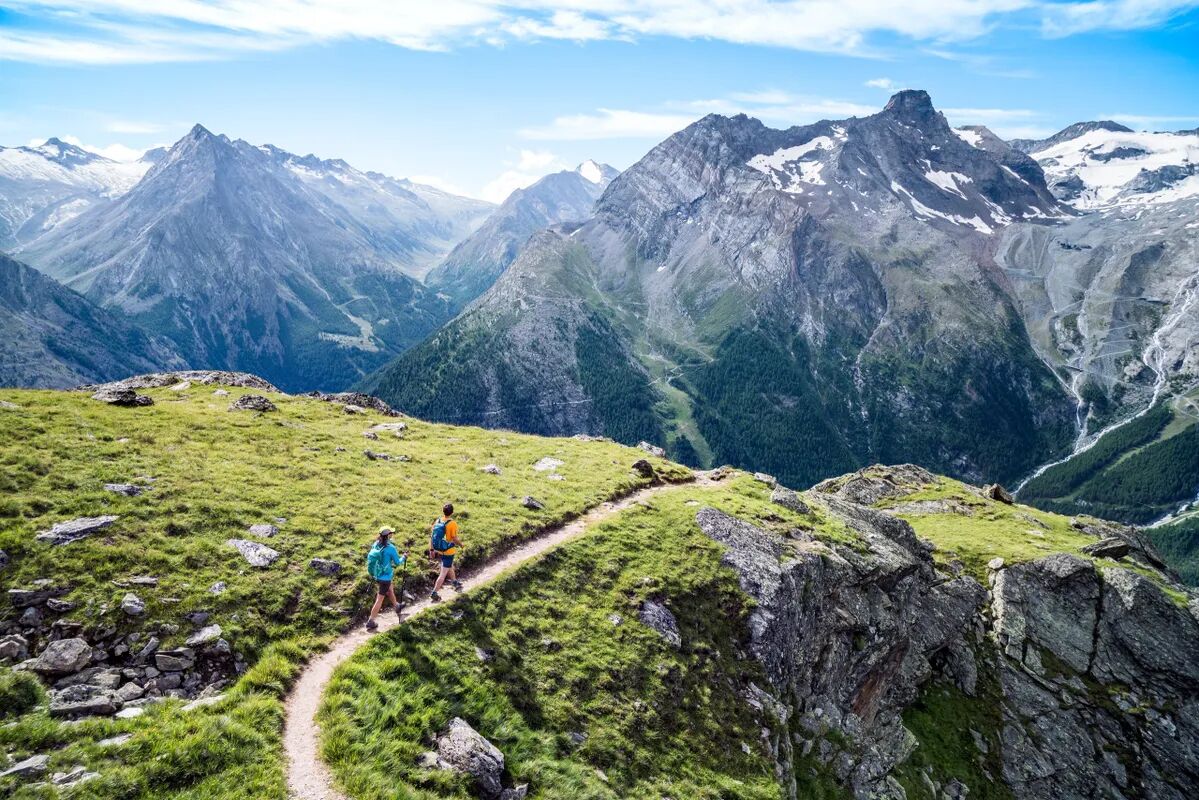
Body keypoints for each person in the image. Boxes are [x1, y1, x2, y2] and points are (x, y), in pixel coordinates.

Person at [365, 526, 406, 630]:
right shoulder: (391, 548)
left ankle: (397, 606)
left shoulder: (375, 544)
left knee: (390, 591)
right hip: (385, 578)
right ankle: (371, 620)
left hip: (377, 574)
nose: (392, 534)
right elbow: (397, 563)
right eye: (391, 533)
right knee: (379, 599)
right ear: (388, 535)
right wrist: (404, 557)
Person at [429, 503, 463, 602]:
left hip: (439, 549)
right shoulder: (452, 523)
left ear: (443, 511)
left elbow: (432, 536)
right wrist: (461, 545)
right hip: (448, 550)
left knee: (449, 566)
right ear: (452, 512)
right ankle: (434, 593)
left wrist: (431, 550)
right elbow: (454, 538)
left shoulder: (438, 521)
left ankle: (454, 582)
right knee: (443, 573)